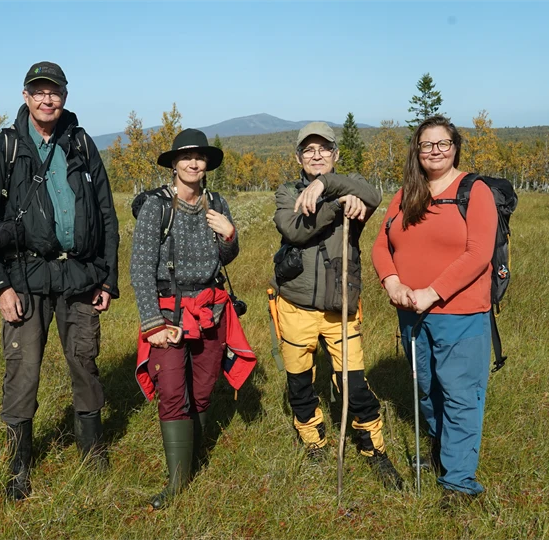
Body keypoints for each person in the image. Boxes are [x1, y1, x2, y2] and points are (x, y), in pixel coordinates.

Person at [0, 61, 120, 501]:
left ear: (65, 97)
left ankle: (91, 453)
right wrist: (0, 286)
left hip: (79, 275)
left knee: (84, 362)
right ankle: (19, 468)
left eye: (53, 91)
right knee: (23, 369)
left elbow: (107, 215)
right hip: (25, 278)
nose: (46, 98)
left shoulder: (82, 143)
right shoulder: (4, 147)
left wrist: (107, 280)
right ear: (25, 97)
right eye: (38, 91)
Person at [371, 115, 497, 507]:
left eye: (443, 144)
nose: (435, 151)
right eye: (427, 145)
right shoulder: (406, 193)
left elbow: (479, 254)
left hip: (461, 313)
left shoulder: (474, 191)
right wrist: (392, 282)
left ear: (455, 147)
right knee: (426, 389)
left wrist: (433, 292)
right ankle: (442, 452)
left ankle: (459, 484)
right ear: (417, 151)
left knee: (459, 394)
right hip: (410, 313)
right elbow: (381, 245)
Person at [271, 121, 403, 489]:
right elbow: (295, 230)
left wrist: (328, 186)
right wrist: (336, 206)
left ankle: (372, 449)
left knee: (355, 384)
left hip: (341, 307)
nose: (317, 155)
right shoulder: (286, 192)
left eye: (324, 149)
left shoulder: (349, 185)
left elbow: (373, 195)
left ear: (335, 155)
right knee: (300, 383)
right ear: (298, 157)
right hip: (294, 306)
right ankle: (313, 443)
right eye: (309, 150)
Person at [130, 128, 256, 509]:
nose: (192, 162)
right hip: (168, 312)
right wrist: (152, 323)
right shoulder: (157, 207)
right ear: (173, 164)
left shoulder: (217, 202)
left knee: (203, 388)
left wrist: (230, 235)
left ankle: (193, 462)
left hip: (211, 310)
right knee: (172, 390)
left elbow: (226, 257)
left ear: (206, 164)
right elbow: (139, 267)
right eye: (185, 157)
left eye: (199, 157)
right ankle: (176, 482)